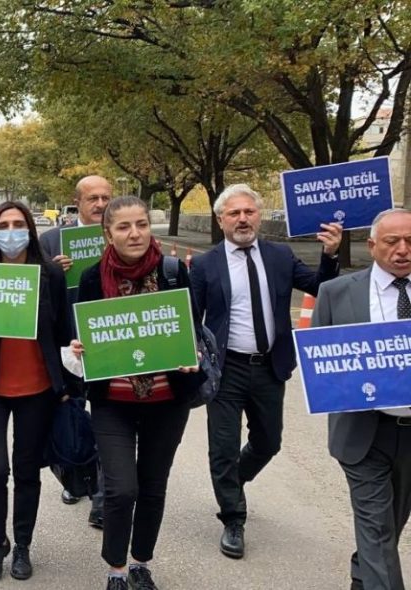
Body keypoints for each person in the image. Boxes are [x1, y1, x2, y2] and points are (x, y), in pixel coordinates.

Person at [190, 183, 341, 559]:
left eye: (249, 212)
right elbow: (190, 317)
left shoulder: (279, 256)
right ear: (220, 220)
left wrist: (331, 254)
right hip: (226, 370)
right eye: (234, 213)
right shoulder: (206, 264)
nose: (243, 219)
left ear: (258, 215)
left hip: (270, 367)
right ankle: (233, 519)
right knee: (222, 448)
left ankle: (233, 481)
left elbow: (320, 286)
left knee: (268, 442)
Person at [69, 196, 205, 590]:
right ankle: (116, 568)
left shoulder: (174, 271)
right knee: (121, 487)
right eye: (124, 227)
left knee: (152, 485)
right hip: (114, 402)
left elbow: (192, 328)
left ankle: (141, 562)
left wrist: (190, 354)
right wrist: (79, 349)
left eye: (142, 224)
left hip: (167, 401)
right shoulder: (94, 278)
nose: (135, 234)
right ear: (107, 233)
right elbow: (83, 335)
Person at [0, 200, 70, 583]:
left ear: (30, 229)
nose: (10, 231)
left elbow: (64, 331)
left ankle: (22, 544)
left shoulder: (50, 276)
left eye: (17, 224)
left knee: (26, 472)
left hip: (37, 390)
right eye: (3, 225)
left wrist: (69, 385)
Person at [314, 209, 411, 590]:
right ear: (372, 246)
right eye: (392, 242)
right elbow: (319, 362)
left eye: (410, 241)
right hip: (364, 432)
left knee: (390, 523)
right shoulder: (336, 293)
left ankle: (364, 574)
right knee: (377, 528)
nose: (402, 250)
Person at [38, 174, 113, 524]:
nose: (100, 204)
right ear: (78, 202)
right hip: (68, 348)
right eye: (92, 198)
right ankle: (75, 475)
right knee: (73, 419)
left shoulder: (121, 236)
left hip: (109, 342)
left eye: (105, 198)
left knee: (107, 421)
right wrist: (51, 272)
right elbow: (32, 294)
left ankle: (101, 496)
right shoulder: (51, 241)